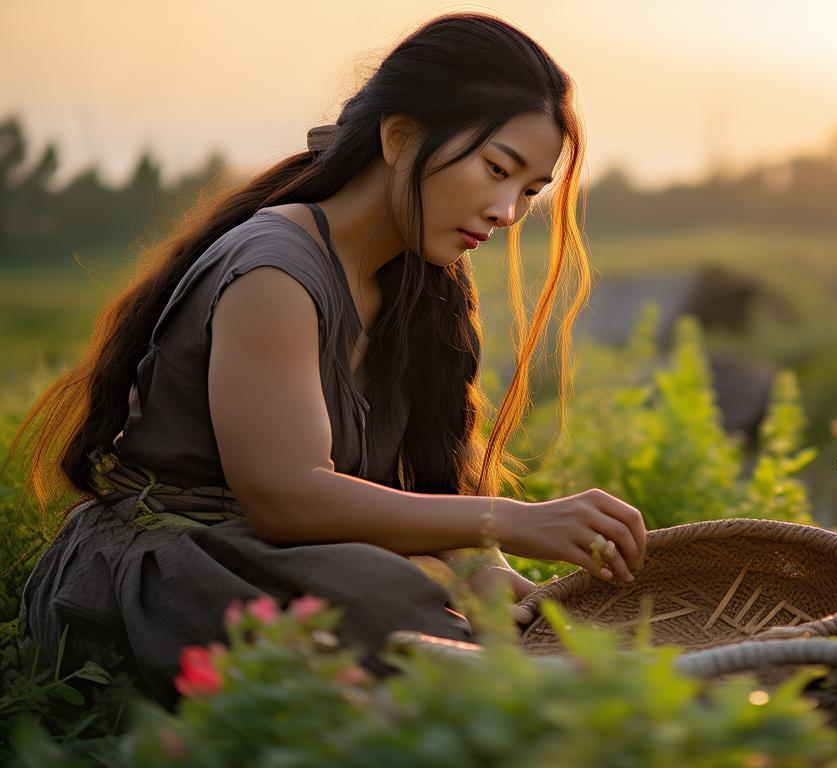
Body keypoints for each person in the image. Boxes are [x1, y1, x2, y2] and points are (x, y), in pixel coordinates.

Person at [7, 12, 646, 709]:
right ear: (400, 137)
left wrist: (479, 563)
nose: (508, 212)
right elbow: (285, 499)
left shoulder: (419, 277)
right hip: (170, 573)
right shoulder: (274, 272)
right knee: (389, 605)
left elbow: (426, 482)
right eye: (497, 169)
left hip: (284, 559)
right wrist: (508, 521)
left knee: (484, 612)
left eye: (530, 191)